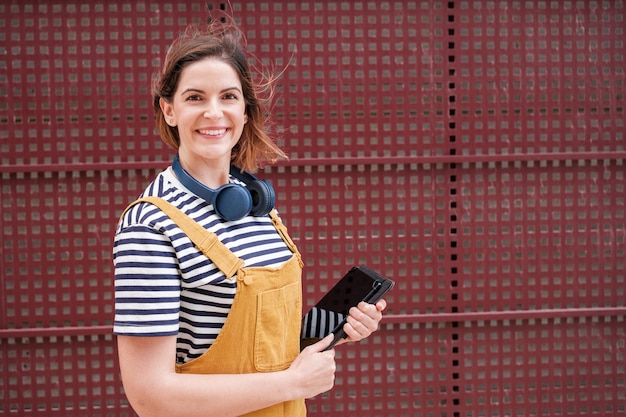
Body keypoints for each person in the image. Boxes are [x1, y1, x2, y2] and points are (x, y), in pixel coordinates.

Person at [113, 19, 386, 417]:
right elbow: (150, 397)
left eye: (228, 96)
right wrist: (292, 383)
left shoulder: (258, 208)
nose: (213, 112)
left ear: (244, 111)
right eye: (194, 97)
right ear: (169, 110)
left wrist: (335, 332)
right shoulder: (150, 228)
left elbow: (265, 348)